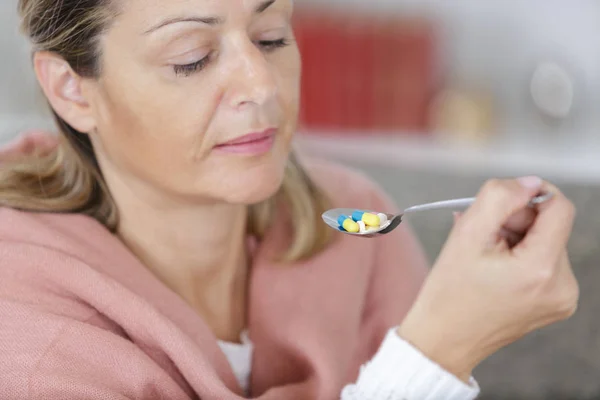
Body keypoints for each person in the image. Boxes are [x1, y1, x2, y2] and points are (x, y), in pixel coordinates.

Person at [0, 0, 578, 399]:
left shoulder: (358, 228)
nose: (262, 84)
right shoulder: (22, 329)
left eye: (271, 36)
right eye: (192, 58)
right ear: (71, 90)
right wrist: (435, 355)